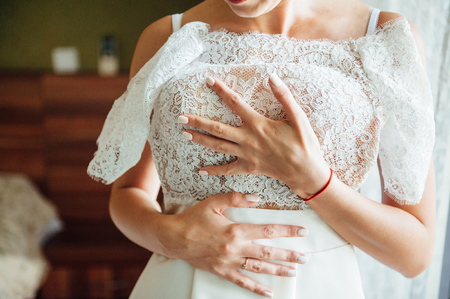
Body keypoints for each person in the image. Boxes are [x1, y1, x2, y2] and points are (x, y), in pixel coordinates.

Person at [87, 0, 436, 298]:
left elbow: (414, 254)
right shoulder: (166, 35)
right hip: (182, 280)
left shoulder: (384, 35)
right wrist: (169, 236)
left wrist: (315, 181)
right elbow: (128, 192)